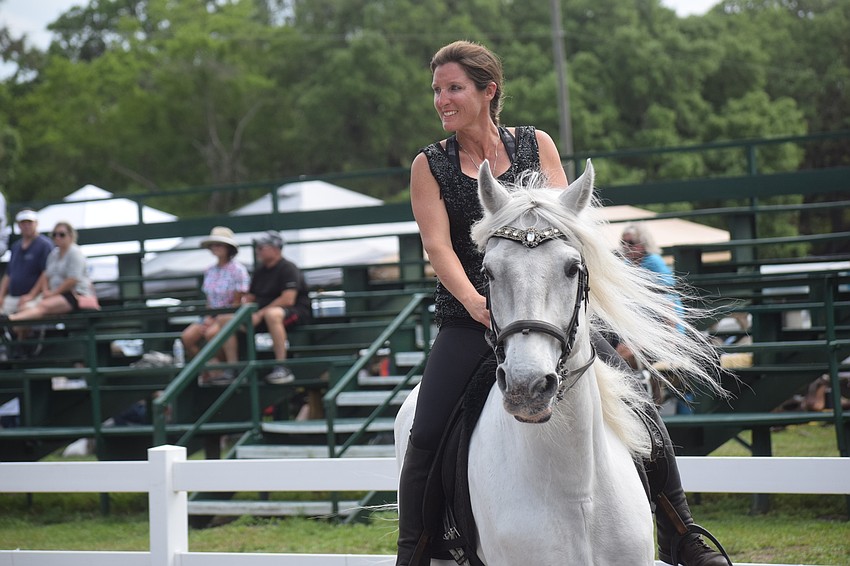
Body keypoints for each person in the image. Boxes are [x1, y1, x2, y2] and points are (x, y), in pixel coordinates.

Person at [398, 40, 728, 566]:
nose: (442, 99)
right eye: (436, 90)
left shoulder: (535, 145)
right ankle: (416, 553)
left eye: (454, 88)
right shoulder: (429, 166)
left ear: (488, 91)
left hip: (549, 314)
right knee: (426, 433)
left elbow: (565, 231)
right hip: (470, 318)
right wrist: (477, 302)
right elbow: (437, 247)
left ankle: (682, 533)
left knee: (638, 402)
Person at [232, 230, 310, 384]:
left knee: (272, 315)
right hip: (263, 314)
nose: (258, 251)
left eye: (261, 247)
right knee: (226, 320)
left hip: (294, 313)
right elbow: (252, 296)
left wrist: (260, 314)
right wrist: (245, 304)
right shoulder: (260, 271)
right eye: (258, 247)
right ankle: (234, 369)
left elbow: (288, 299)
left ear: (275, 248)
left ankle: (282, 367)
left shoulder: (288, 267)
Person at [181, 226, 250, 385]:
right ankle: (211, 367)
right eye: (213, 245)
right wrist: (207, 317)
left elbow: (237, 301)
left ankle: (225, 368)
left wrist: (215, 319)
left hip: (230, 315)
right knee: (187, 337)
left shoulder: (238, 270)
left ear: (228, 248)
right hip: (212, 315)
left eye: (219, 244)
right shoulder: (209, 270)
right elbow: (209, 300)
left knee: (212, 333)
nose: (215, 248)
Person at [1, 221, 94, 325]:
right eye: (55, 234)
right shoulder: (54, 254)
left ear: (70, 235)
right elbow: (46, 274)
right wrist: (46, 291)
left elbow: (72, 280)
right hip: (55, 294)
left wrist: (52, 293)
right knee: (25, 306)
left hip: (74, 295)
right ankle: (20, 338)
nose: (57, 237)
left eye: (61, 234)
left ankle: (10, 320)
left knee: (42, 306)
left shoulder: (75, 253)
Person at [0, 209, 54, 341]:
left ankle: (23, 346)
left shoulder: (44, 245)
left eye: (29, 222)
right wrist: (0, 296)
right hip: (14, 296)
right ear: (19, 225)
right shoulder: (16, 246)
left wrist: (31, 295)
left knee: (25, 312)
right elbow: (9, 274)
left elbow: (45, 273)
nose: (26, 226)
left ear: (36, 223)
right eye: (23, 223)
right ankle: (9, 344)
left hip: (36, 297)